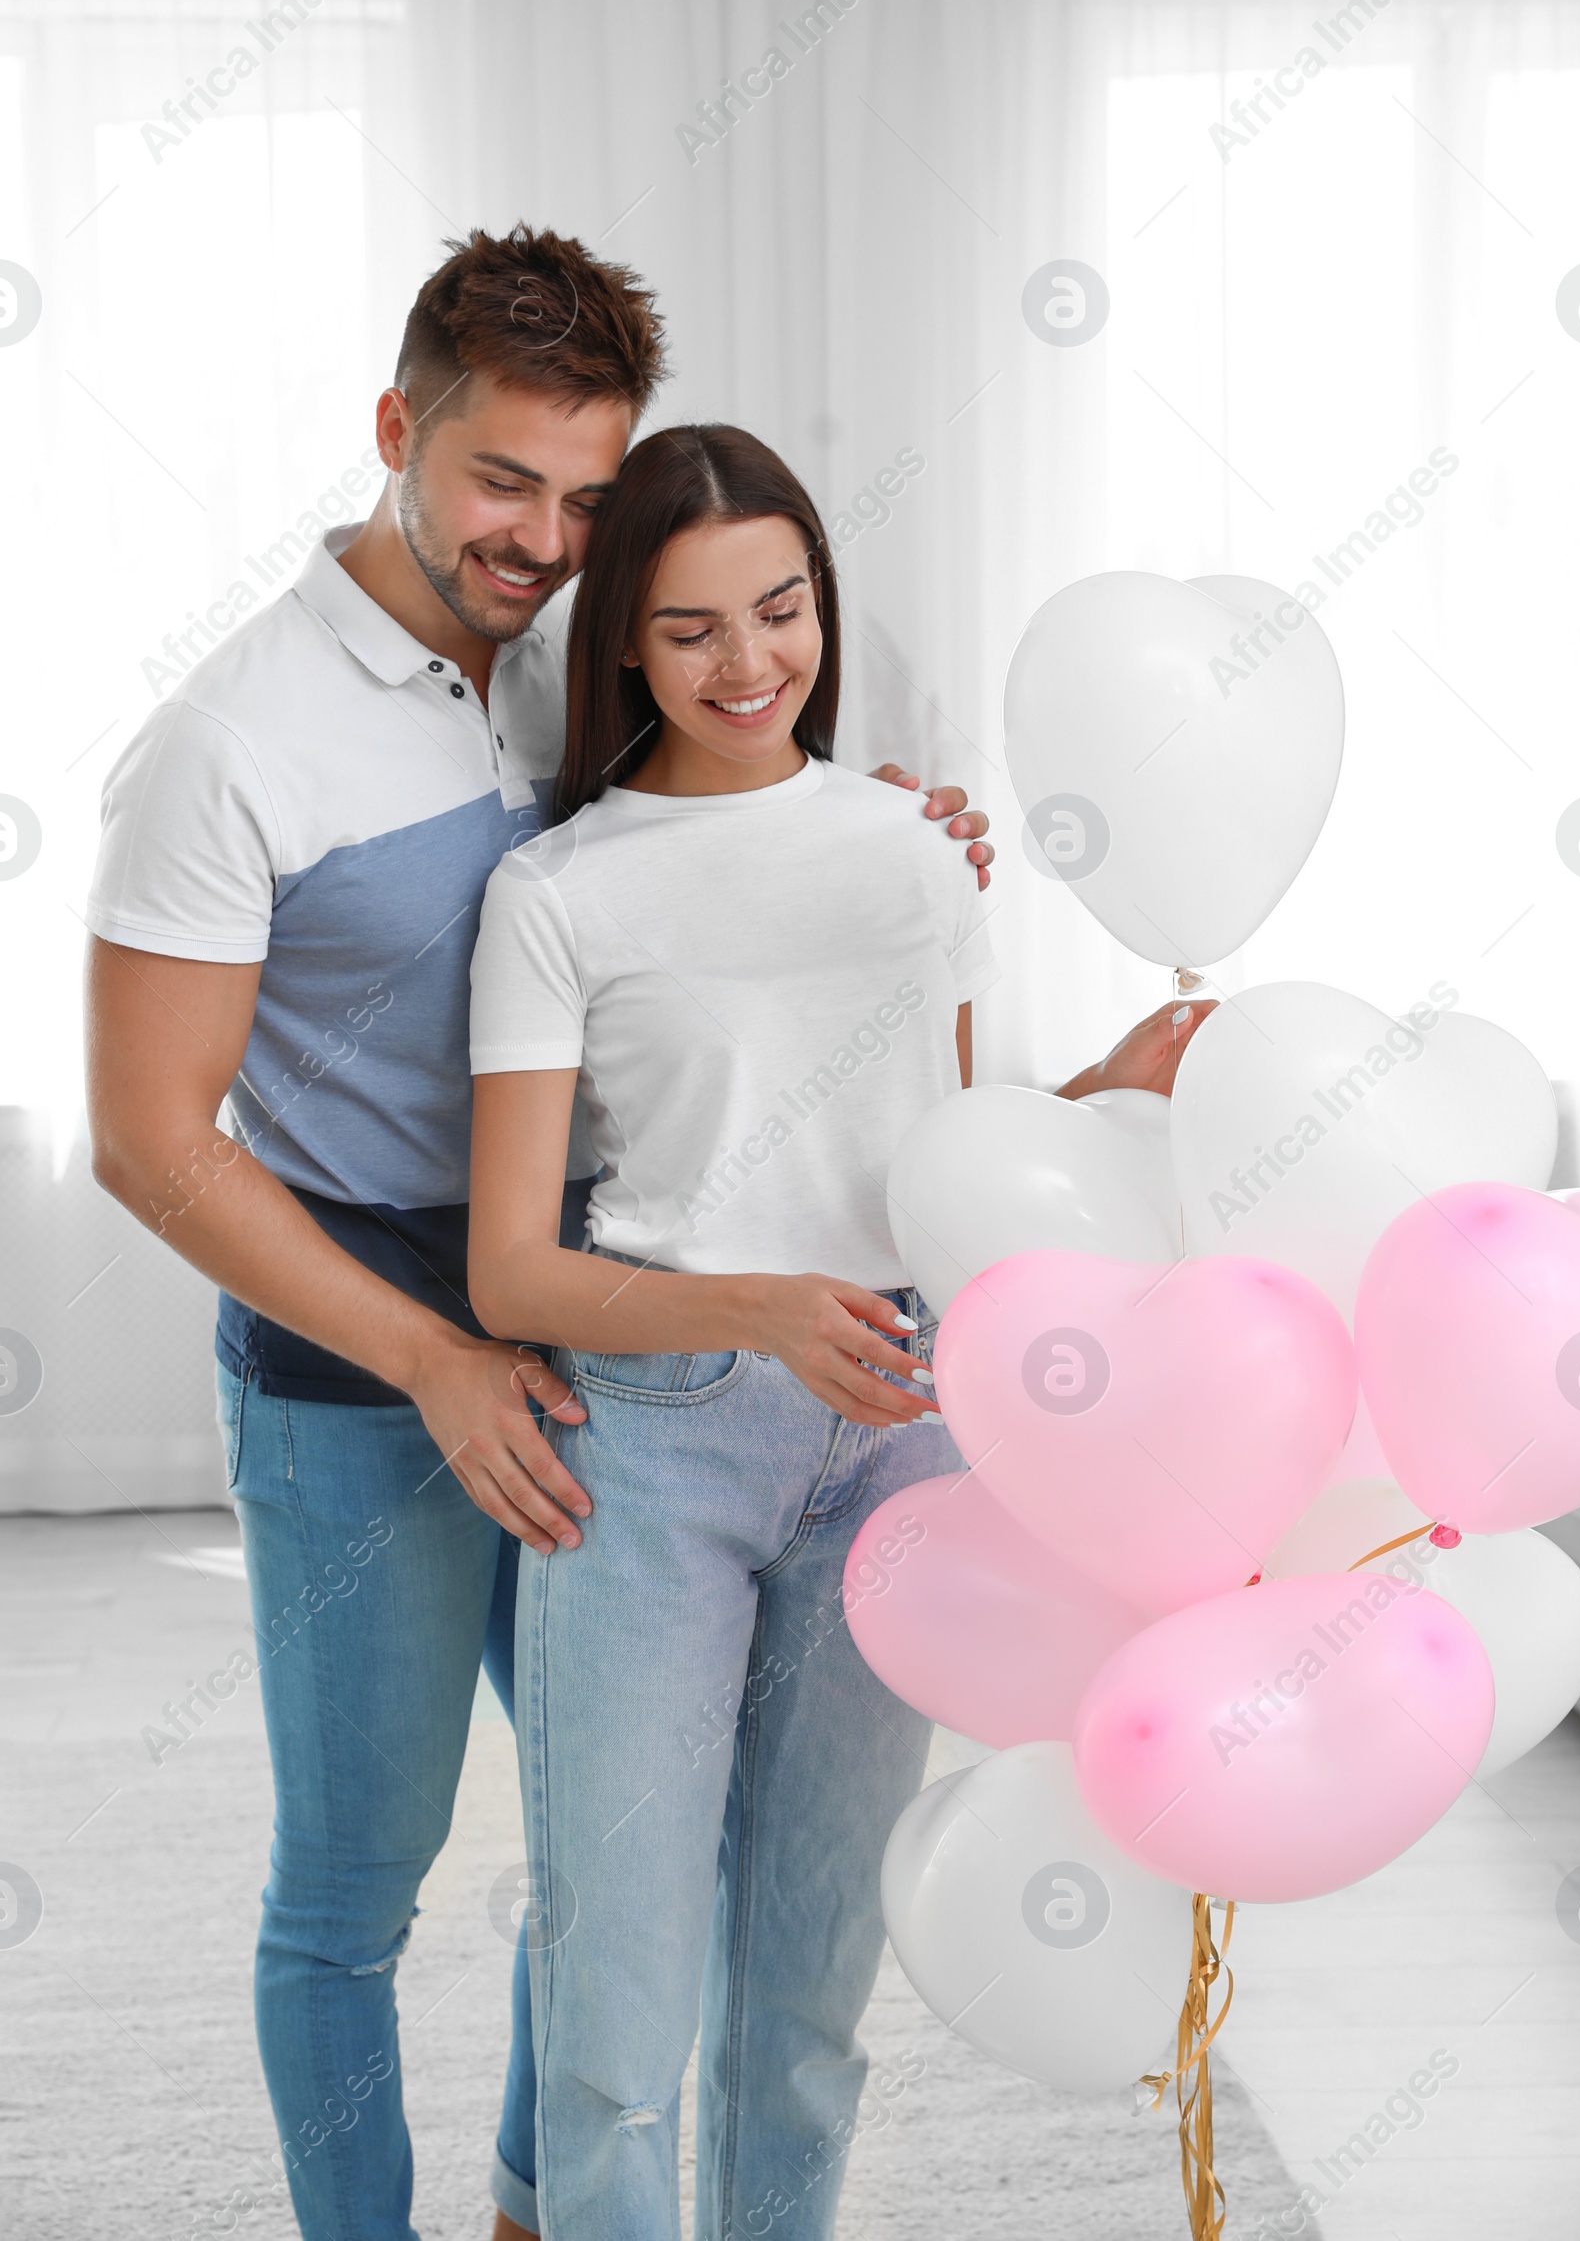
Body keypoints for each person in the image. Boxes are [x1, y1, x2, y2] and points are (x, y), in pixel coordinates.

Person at [82, 227, 995, 2241]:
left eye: (588, 495)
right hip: (370, 1369)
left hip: (614, 1349)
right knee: (358, 1876)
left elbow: (695, 899)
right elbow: (148, 1141)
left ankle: (529, 2204)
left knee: (610, 1845)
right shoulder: (237, 742)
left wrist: (866, 844)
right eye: (504, 481)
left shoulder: (564, 670)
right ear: (397, 431)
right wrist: (431, 1351)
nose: (544, 535)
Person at [466, 422, 1210, 2240]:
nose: (749, 667)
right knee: (616, 2022)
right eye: (692, 628)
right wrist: (759, 1310)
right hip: (651, 1450)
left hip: (906, 1443)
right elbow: (507, 1274)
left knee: (808, 2008)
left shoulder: (916, 854)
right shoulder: (557, 894)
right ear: (623, 647)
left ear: (824, 605)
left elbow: (947, 1154)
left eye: (781, 611)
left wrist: (1103, 1089)